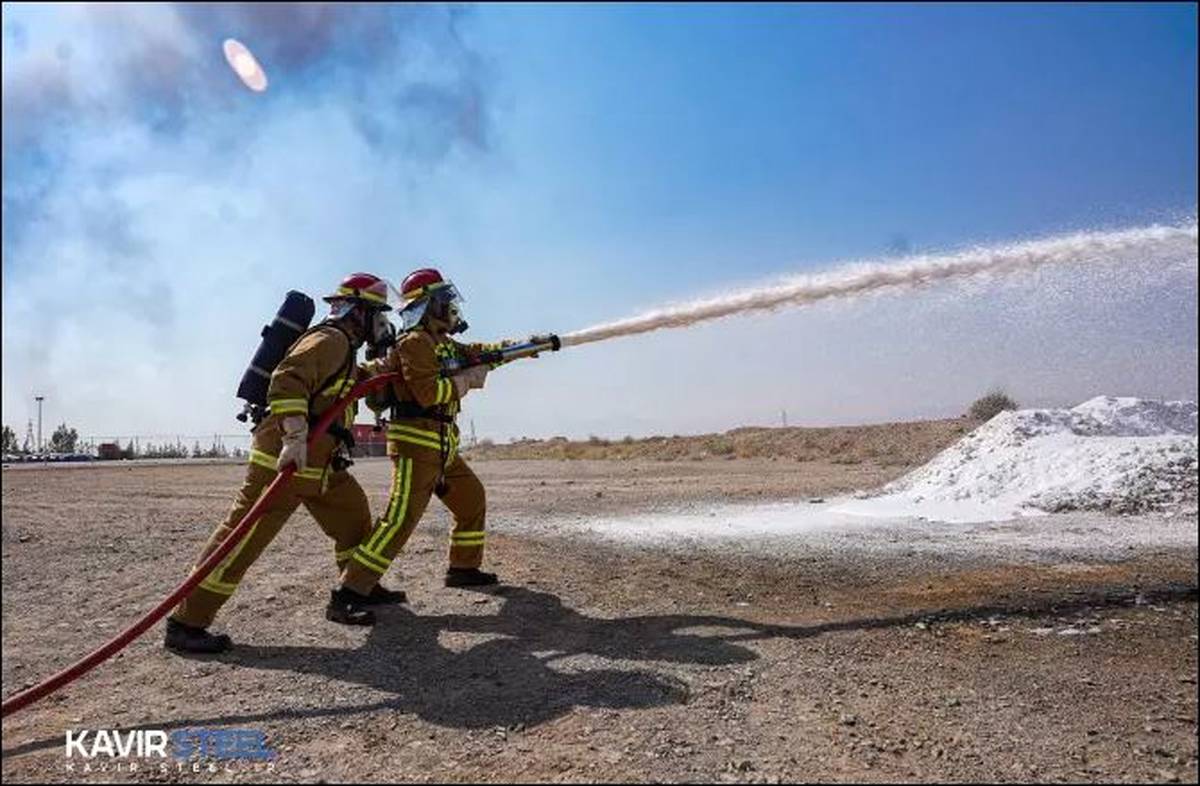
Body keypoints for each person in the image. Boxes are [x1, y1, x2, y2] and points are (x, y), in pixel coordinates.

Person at [165, 273, 405, 653]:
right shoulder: (329, 340)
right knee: (241, 540)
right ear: (358, 313)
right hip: (287, 460)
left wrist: (385, 368)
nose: (381, 324)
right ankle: (186, 622)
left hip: (321, 463)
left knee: (354, 516)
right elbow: (287, 380)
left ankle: (356, 589)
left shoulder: (344, 348)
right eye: (377, 315)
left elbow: (345, 385)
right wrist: (294, 438)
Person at [329, 268, 548, 624]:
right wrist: (466, 382)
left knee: (471, 499)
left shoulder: (441, 343)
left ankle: (463, 568)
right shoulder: (414, 342)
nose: (451, 308)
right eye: (444, 301)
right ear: (429, 306)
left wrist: (524, 347)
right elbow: (427, 393)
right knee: (399, 521)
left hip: (442, 445)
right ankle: (349, 592)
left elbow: (480, 352)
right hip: (417, 445)